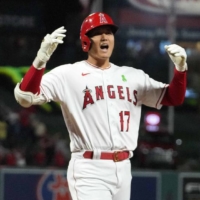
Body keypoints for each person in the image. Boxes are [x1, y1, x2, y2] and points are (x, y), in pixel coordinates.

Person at [14, 12, 187, 200]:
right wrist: (40, 60)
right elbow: (25, 96)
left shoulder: (132, 76)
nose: (105, 37)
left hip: (123, 167)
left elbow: (172, 98)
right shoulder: (68, 74)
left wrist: (180, 70)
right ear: (86, 41)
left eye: (109, 32)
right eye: (98, 33)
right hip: (89, 168)